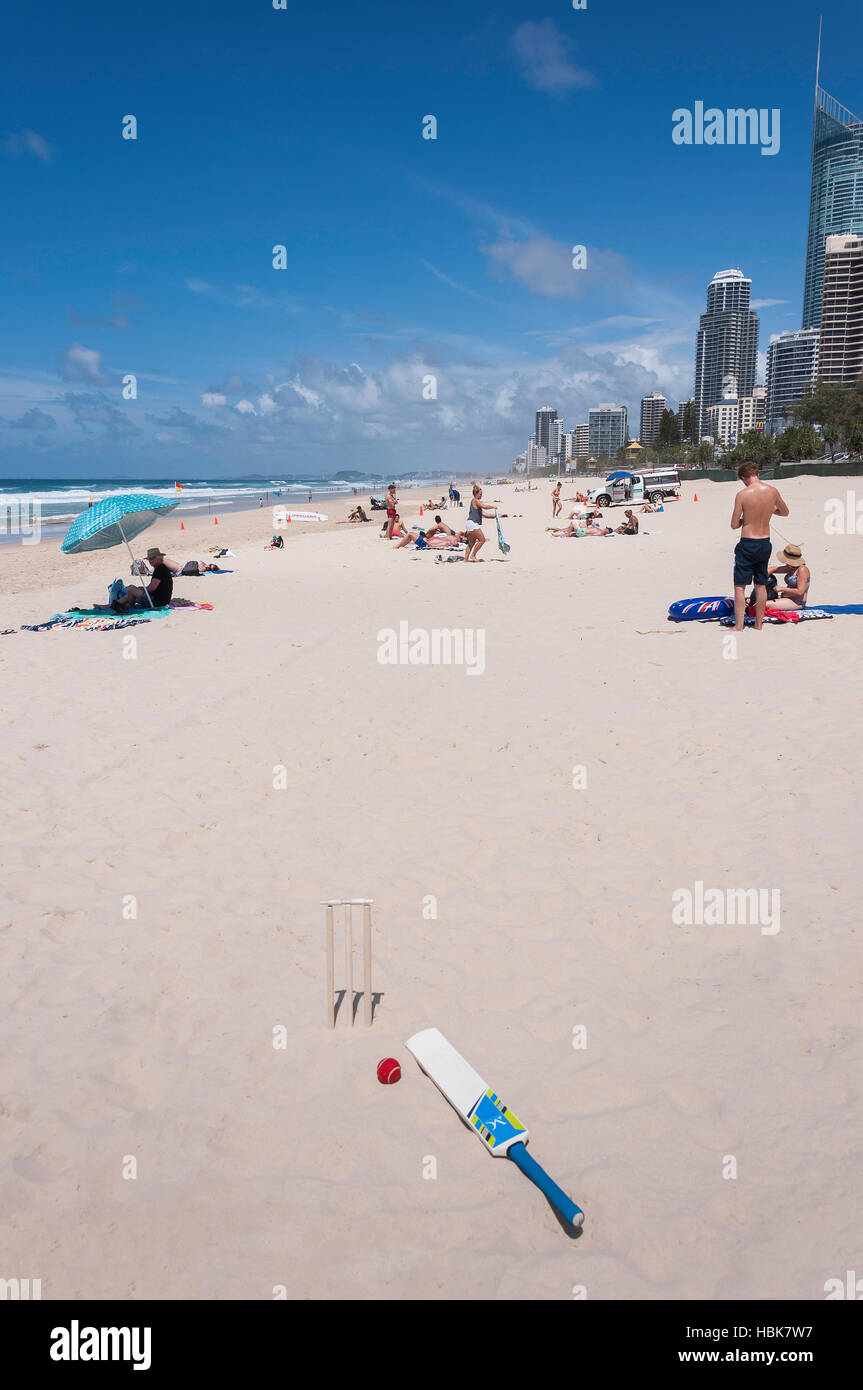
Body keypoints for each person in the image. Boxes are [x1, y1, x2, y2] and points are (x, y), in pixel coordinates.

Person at [730, 463, 790, 631]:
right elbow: (785, 512)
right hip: (765, 542)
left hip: (748, 542)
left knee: (740, 586)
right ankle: (758, 624)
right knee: (761, 585)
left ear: (743, 477)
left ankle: (739, 625)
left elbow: (734, 524)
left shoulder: (742, 494)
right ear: (757, 473)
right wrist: (769, 512)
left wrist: (746, 519)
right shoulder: (772, 491)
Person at [768, 543, 810, 609]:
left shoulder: (802, 569)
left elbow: (800, 592)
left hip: (797, 602)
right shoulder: (791, 567)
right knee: (757, 601)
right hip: (786, 599)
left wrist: (782, 589)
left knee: (762, 605)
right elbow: (773, 569)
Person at [464, 485, 498, 561]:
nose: (481, 495)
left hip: (469, 523)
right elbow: (485, 506)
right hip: (472, 523)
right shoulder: (475, 500)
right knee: (482, 540)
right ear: (476, 494)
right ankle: (473, 555)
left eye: (481, 494)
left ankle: (465, 559)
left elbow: (485, 514)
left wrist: (496, 516)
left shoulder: (476, 503)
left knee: (471, 543)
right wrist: (493, 506)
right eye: (480, 494)